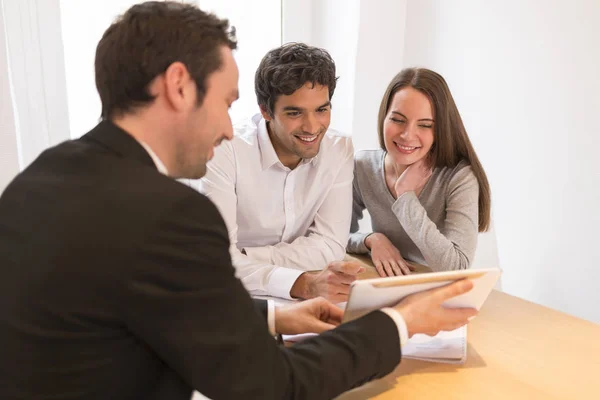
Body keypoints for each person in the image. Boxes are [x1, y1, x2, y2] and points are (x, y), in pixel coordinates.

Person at [0, 3, 477, 399]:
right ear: (179, 86)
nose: (231, 128)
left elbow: (139, 303)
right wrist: (400, 321)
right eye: (227, 103)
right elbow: (271, 384)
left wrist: (273, 314)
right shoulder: (166, 214)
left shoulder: (40, 178)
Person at [196, 43, 359, 302]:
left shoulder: (339, 149)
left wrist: (248, 257)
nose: (312, 127)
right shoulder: (223, 151)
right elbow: (217, 261)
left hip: (301, 294)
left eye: (322, 110)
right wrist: (301, 284)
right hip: (222, 294)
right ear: (265, 110)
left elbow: (330, 247)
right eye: (295, 113)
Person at [347, 68, 492, 276]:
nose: (407, 135)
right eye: (397, 120)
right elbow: (334, 238)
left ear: (440, 130)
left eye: (425, 125)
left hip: (438, 292)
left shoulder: (459, 177)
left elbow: (455, 267)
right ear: (384, 117)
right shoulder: (363, 166)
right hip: (386, 284)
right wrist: (371, 240)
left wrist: (406, 197)